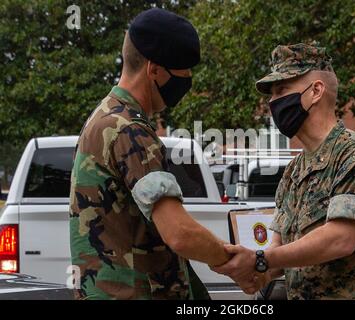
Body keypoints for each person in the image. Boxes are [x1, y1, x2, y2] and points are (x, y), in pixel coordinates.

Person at [69, 8, 230, 300]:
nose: (188, 80)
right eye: (183, 72)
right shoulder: (130, 130)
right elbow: (179, 232)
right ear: (154, 69)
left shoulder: (103, 116)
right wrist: (232, 259)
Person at [212, 43, 355, 300]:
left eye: (281, 90)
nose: (272, 103)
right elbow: (279, 248)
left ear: (316, 91)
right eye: (271, 94)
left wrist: (260, 259)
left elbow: (341, 238)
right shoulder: (295, 170)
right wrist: (258, 271)